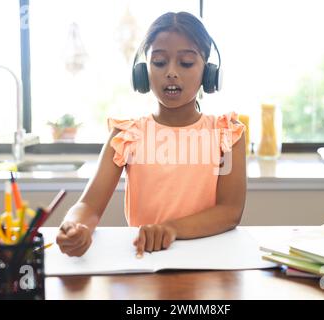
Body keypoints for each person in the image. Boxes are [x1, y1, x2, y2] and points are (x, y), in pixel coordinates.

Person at [56, 11, 246, 258]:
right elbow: (89, 205)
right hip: (145, 258)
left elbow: (229, 211)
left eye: (186, 63)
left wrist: (171, 229)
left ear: (208, 72)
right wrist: (75, 225)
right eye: (159, 62)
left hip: (209, 258)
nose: (171, 72)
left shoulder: (227, 134)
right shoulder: (127, 134)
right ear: (143, 72)